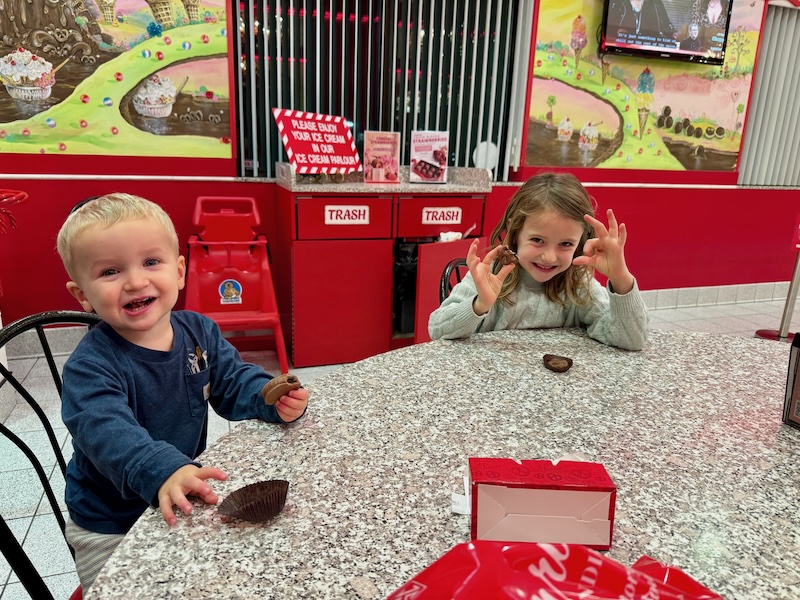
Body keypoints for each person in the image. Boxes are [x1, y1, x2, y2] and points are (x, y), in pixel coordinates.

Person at [55, 193, 309, 591]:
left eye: (150, 262)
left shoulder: (199, 332)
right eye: (109, 272)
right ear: (82, 294)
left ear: (179, 271)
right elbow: (106, 431)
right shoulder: (90, 366)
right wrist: (163, 468)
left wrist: (267, 397)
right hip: (110, 523)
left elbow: (232, 381)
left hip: (179, 494)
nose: (136, 281)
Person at [428, 173, 648, 351]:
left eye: (565, 244)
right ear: (516, 232)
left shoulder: (578, 283)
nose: (549, 257)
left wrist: (620, 278)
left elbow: (632, 339)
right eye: (537, 240)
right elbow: (437, 330)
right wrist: (479, 305)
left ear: (580, 242)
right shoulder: (492, 275)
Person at [607, 0, 677, 44]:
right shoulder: (616, 2)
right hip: (622, 46)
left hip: (648, 46)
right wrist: (618, 32)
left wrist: (674, 34)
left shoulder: (656, 3)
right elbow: (608, 29)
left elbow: (666, 25)